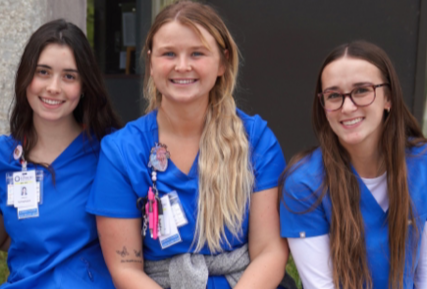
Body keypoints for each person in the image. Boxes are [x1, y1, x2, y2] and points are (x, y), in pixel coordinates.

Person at [86, 1, 293, 288]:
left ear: (222, 61)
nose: (182, 66)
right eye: (169, 53)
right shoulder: (121, 152)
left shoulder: (256, 141)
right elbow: (126, 270)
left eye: (197, 53)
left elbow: (269, 252)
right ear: (151, 62)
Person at [280, 40, 427, 289]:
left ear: (388, 98)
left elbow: (424, 276)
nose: (348, 107)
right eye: (334, 95)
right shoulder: (304, 183)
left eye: (361, 90)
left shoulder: (422, 164)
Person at [0, 19, 121, 288]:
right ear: (25, 76)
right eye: (43, 72)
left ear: (84, 85)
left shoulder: (110, 152)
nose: (53, 87)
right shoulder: (4, 156)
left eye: (69, 76)